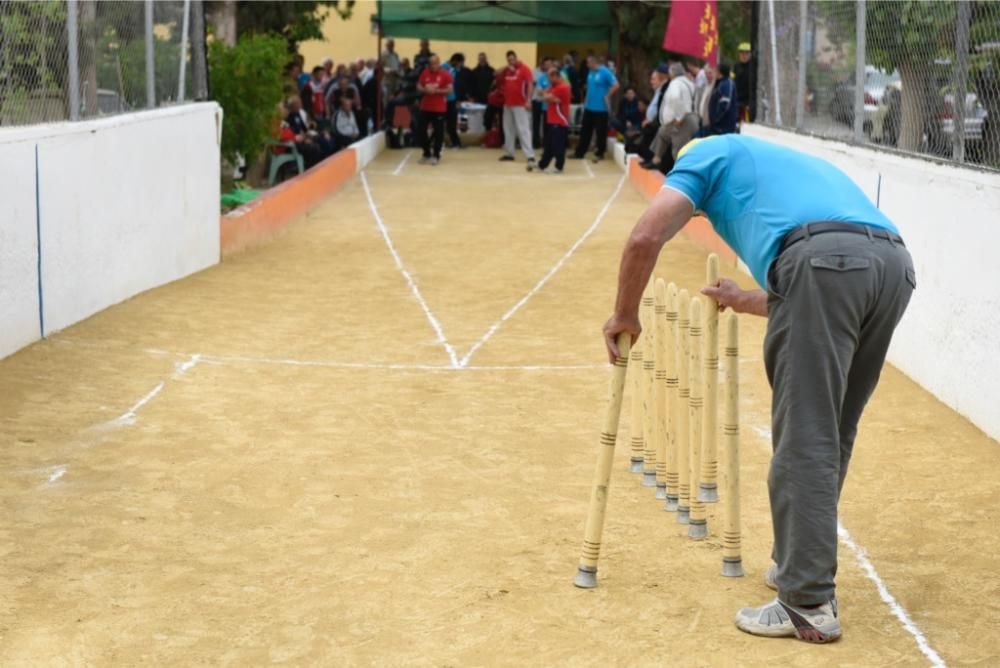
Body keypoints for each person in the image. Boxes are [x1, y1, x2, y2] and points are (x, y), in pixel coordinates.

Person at [603, 134, 914, 644]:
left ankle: (807, 602)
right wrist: (742, 297)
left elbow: (644, 237)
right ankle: (800, 562)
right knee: (833, 430)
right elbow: (815, 283)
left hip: (826, 263)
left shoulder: (703, 157)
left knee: (806, 433)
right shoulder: (779, 167)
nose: (700, 215)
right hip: (893, 268)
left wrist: (625, 313)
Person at [644, 62, 698, 172]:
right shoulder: (689, 82)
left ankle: (680, 173)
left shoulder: (676, 84)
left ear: (672, 73)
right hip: (691, 118)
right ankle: (656, 159)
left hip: (682, 120)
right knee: (662, 133)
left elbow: (675, 98)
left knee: (678, 148)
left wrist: (678, 117)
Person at [573, 55, 619, 162]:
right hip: (589, 107)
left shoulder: (605, 72)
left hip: (601, 108)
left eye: (588, 63)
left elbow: (616, 85)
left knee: (600, 132)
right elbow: (589, 87)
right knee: (585, 131)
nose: (587, 65)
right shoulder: (591, 72)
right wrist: (585, 101)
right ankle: (580, 152)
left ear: (594, 63)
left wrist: (608, 95)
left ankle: (600, 153)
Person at [499, 50, 535, 168]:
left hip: (520, 104)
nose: (511, 61)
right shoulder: (507, 70)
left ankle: (530, 155)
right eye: (509, 60)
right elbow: (495, 73)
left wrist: (528, 100)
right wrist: (507, 67)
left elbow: (530, 84)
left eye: (512, 59)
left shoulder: (525, 69)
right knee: (508, 129)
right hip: (508, 104)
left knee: (523, 129)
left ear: (516, 58)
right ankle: (509, 153)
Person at [415, 54, 452, 165]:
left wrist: (436, 91)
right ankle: (426, 153)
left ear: (439, 63)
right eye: (431, 63)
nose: (432, 66)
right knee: (421, 130)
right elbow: (418, 85)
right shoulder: (425, 72)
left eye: (435, 63)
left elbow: (450, 89)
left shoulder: (445, 74)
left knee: (438, 133)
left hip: (439, 108)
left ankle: (436, 155)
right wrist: (425, 89)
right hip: (425, 107)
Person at [536, 67, 571, 174]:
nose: (548, 80)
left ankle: (559, 167)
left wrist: (546, 95)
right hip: (552, 120)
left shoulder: (563, 87)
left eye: (550, 77)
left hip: (560, 120)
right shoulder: (554, 86)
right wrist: (546, 94)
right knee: (549, 145)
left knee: (557, 145)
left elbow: (546, 97)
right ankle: (542, 165)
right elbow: (541, 94)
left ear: (556, 76)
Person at [708, 63, 739, 135]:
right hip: (717, 127)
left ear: (719, 72)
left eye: (715, 70)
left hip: (724, 127)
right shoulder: (720, 83)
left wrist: (715, 119)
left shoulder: (727, 84)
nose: (714, 72)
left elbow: (725, 105)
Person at [443, 53, 466, 149]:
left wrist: (458, 99)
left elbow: (457, 84)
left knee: (452, 122)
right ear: (455, 61)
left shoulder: (456, 69)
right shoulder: (443, 67)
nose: (461, 65)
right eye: (461, 63)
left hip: (452, 99)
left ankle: (456, 143)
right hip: (443, 100)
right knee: (440, 122)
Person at [531, 57, 552, 149]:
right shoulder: (537, 74)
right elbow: (535, 87)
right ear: (542, 65)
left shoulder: (554, 75)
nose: (548, 66)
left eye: (549, 64)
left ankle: (547, 143)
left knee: (547, 124)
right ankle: (536, 142)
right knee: (536, 123)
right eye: (546, 64)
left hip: (547, 103)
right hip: (537, 100)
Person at [734, 42, 757, 123]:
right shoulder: (736, 66)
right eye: (742, 53)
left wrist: (750, 103)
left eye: (746, 53)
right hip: (737, 102)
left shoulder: (753, 67)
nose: (744, 55)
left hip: (748, 103)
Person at [381, 38, 402, 108]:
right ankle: (385, 117)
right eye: (389, 45)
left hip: (395, 80)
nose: (391, 46)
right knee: (386, 100)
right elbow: (380, 67)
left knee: (393, 100)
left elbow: (398, 65)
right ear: (386, 45)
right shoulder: (383, 54)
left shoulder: (395, 54)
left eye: (392, 45)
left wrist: (399, 71)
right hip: (387, 81)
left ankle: (391, 116)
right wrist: (390, 70)